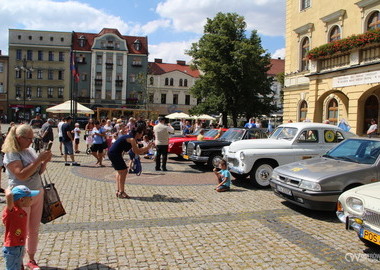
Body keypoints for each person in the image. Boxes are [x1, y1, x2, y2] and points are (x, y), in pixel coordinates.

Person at [2, 124, 52, 270]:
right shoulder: (11, 153)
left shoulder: (29, 150)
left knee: (34, 229)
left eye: (32, 138)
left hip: (37, 192)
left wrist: (44, 162)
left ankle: (31, 258)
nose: (31, 141)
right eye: (29, 138)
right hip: (21, 196)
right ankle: (19, 261)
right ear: (19, 138)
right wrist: (37, 161)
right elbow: (21, 174)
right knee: (20, 230)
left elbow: (38, 172)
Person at [108, 125, 153, 198]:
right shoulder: (131, 139)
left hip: (114, 153)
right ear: (137, 133)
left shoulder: (131, 138)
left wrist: (144, 148)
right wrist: (147, 148)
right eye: (141, 133)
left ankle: (118, 191)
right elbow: (137, 151)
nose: (142, 135)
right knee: (124, 171)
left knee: (120, 172)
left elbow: (135, 150)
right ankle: (121, 192)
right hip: (115, 154)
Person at [3, 185, 40, 270]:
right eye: (30, 197)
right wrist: (7, 189)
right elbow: (9, 196)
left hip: (19, 245)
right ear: (22, 200)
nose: (32, 199)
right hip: (12, 247)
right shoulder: (12, 211)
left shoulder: (21, 211)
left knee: (18, 266)